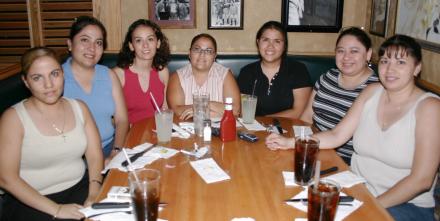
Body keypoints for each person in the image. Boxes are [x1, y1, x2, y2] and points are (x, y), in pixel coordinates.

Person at [266, 35, 440, 221]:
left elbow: (421, 180)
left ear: (417, 68)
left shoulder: (430, 107)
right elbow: (337, 134)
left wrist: (372, 205)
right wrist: (290, 142)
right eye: (385, 61)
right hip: (357, 190)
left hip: (405, 205)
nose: (390, 69)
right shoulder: (371, 91)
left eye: (401, 62)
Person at [0, 47, 104, 221]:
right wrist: (57, 209)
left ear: (63, 74)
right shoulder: (13, 118)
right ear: (26, 82)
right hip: (30, 200)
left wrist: (94, 193)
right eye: (37, 77)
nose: (48, 85)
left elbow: (94, 155)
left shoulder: (80, 108)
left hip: (80, 187)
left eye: (54, 74)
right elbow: (6, 178)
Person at [299, 27, 379, 164]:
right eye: (341, 51)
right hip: (313, 148)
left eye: (354, 51)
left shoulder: (376, 89)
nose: (346, 57)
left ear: (368, 54)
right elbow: (306, 117)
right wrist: (298, 144)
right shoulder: (328, 77)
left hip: (347, 161)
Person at [63, 16, 129, 159]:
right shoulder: (56, 78)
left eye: (98, 42)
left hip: (109, 147)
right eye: (84, 40)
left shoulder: (109, 75)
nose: (92, 48)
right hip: (73, 157)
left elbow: (122, 120)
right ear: (70, 44)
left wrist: (116, 151)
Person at [238, 21, 312, 118]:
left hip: (288, 128)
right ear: (258, 42)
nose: (270, 46)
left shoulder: (298, 70)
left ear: (284, 46)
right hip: (254, 129)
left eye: (277, 41)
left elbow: (299, 111)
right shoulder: (246, 72)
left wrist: (265, 122)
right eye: (265, 40)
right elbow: (243, 111)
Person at [167, 33, 240, 120]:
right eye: (197, 49)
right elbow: (176, 110)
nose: (202, 54)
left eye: (208, 51)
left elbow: (235, 110)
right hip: (187, 130)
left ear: (214, 56)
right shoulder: (177, 77)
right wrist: (214, 111)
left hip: (219, 131)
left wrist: (205, 105)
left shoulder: (225, 74)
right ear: (189, 53)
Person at [113, 19, 170, 124]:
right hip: (130, 135)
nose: (145, 45)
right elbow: (110, 117)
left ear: (158, 43)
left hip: (156, 134)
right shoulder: (118, 74)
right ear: (131, 46)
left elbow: (165, 111)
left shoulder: (163, 72)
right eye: (139, 40)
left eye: (150, 39)